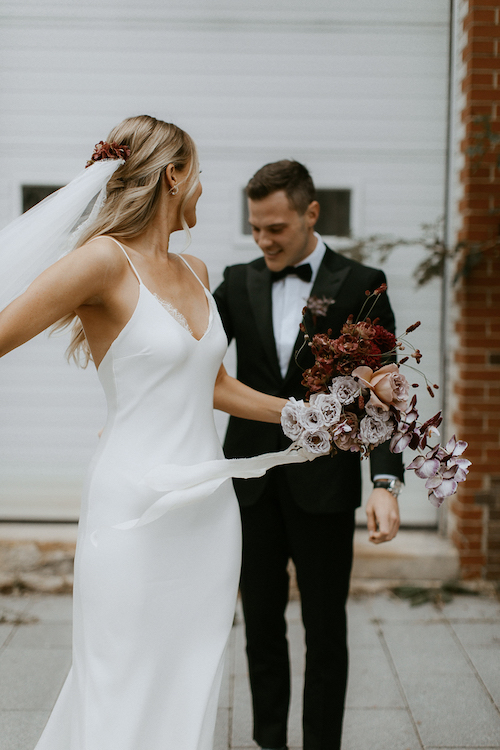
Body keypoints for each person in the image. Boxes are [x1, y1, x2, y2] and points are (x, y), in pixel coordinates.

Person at [0, 118, 312, 750]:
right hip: (133, 509)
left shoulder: (195, 268)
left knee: (190, 677)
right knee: (122, 679)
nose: (202, 188)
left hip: (208, 513)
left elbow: (214, 385)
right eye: (197, 173)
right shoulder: (101, 262)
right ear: (173, 176)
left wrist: (302, 415)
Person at [213, 159, 405, 750]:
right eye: (255, 228)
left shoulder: (360, 282)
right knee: (261, 631)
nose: (263, 240)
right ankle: (269, 742)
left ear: (310, 213)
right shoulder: (236, 280)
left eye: (277, 228)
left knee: (326, 632)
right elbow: (188, 363)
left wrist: (385, 484)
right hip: (250, 486)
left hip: (325, 486)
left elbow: (387, 390)